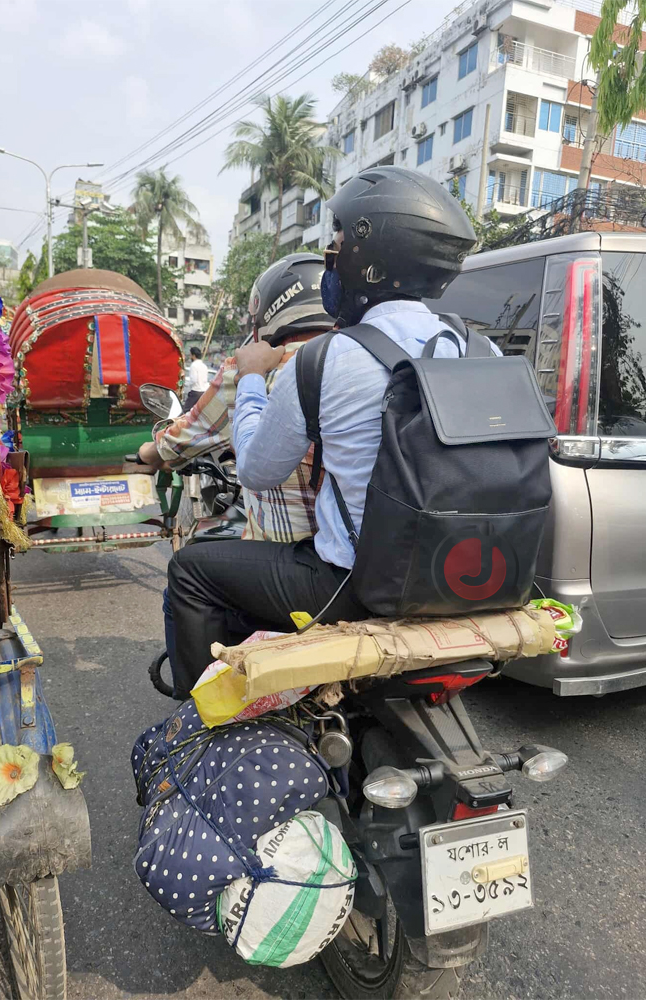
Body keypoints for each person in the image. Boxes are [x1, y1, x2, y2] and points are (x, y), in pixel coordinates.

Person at [165, 166, 489, 695]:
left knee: (190, 570)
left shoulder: (326, 359)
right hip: (469, 578)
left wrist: (250, 380)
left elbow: (256, 469)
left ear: (370, 254)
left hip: (354, 587)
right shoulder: (479, 348)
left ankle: (203, 721)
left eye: (338, 240)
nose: (331, 256)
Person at [137, 253, 337, 698]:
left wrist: (150, 451)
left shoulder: (255, 368)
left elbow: (186, 438)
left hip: (305, 565)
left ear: (269, 312)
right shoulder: (359, 359)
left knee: (187, 574)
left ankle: (196, 718)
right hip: (380, 561)